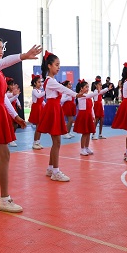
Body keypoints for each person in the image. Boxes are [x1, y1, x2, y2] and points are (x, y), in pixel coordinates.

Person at [0, 27, 42, 213]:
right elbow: (5, 62)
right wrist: (23, 56)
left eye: (2, 47)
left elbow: (2, 98)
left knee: (2, 155)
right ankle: (5, 199)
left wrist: (16, 116)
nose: (1, 50)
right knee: (4, 155)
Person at [37, 50, 83, 181]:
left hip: (55, 108)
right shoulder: (50, 81)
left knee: (56, 142)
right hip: (52, 109)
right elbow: (63, 88)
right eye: (56, 65)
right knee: (56, 141)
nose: (58, 67)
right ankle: (55, 172)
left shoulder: (51, 80)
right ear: (49, 66)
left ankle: (51, 168)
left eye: (59, 65)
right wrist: (76, 94)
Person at [73, 79, 97, 156]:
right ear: (81, 88)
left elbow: (91, 108)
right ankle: (82, 149)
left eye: (88, 87)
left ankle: (87, 147)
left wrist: (93, 115)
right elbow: (91, 95)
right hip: (83, 116)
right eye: (86, 87)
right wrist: (99, 91)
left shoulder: (88, 97)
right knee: (84, 133)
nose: (88, 89)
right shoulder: (81, 96)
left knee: (88, 132)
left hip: (88, 115)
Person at [28, 74, 45, 150]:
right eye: (38, 82)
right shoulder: (34, 90)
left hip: (40, 108)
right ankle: (35, 142)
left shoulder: (40, 91)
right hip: (36, 109)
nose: (40, 84)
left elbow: (42, 101)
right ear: (34, 83)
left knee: (40, 127)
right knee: (38, 127)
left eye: (41, 82)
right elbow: (38, 96)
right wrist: (45, 91)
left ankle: (38, 141)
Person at [5, 77, 21, 147]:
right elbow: (9, 101)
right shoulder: (7, 93)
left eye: (13, 85)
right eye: (11, 85)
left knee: (15, 125)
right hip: (9, 110)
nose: (12, 86)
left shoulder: (12, 93)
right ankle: (10, 139)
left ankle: (11, 137)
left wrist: (19, 104)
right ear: (8, 86)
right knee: (11, 125)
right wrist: (15, 95)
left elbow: (16, 99)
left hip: (14, 109)